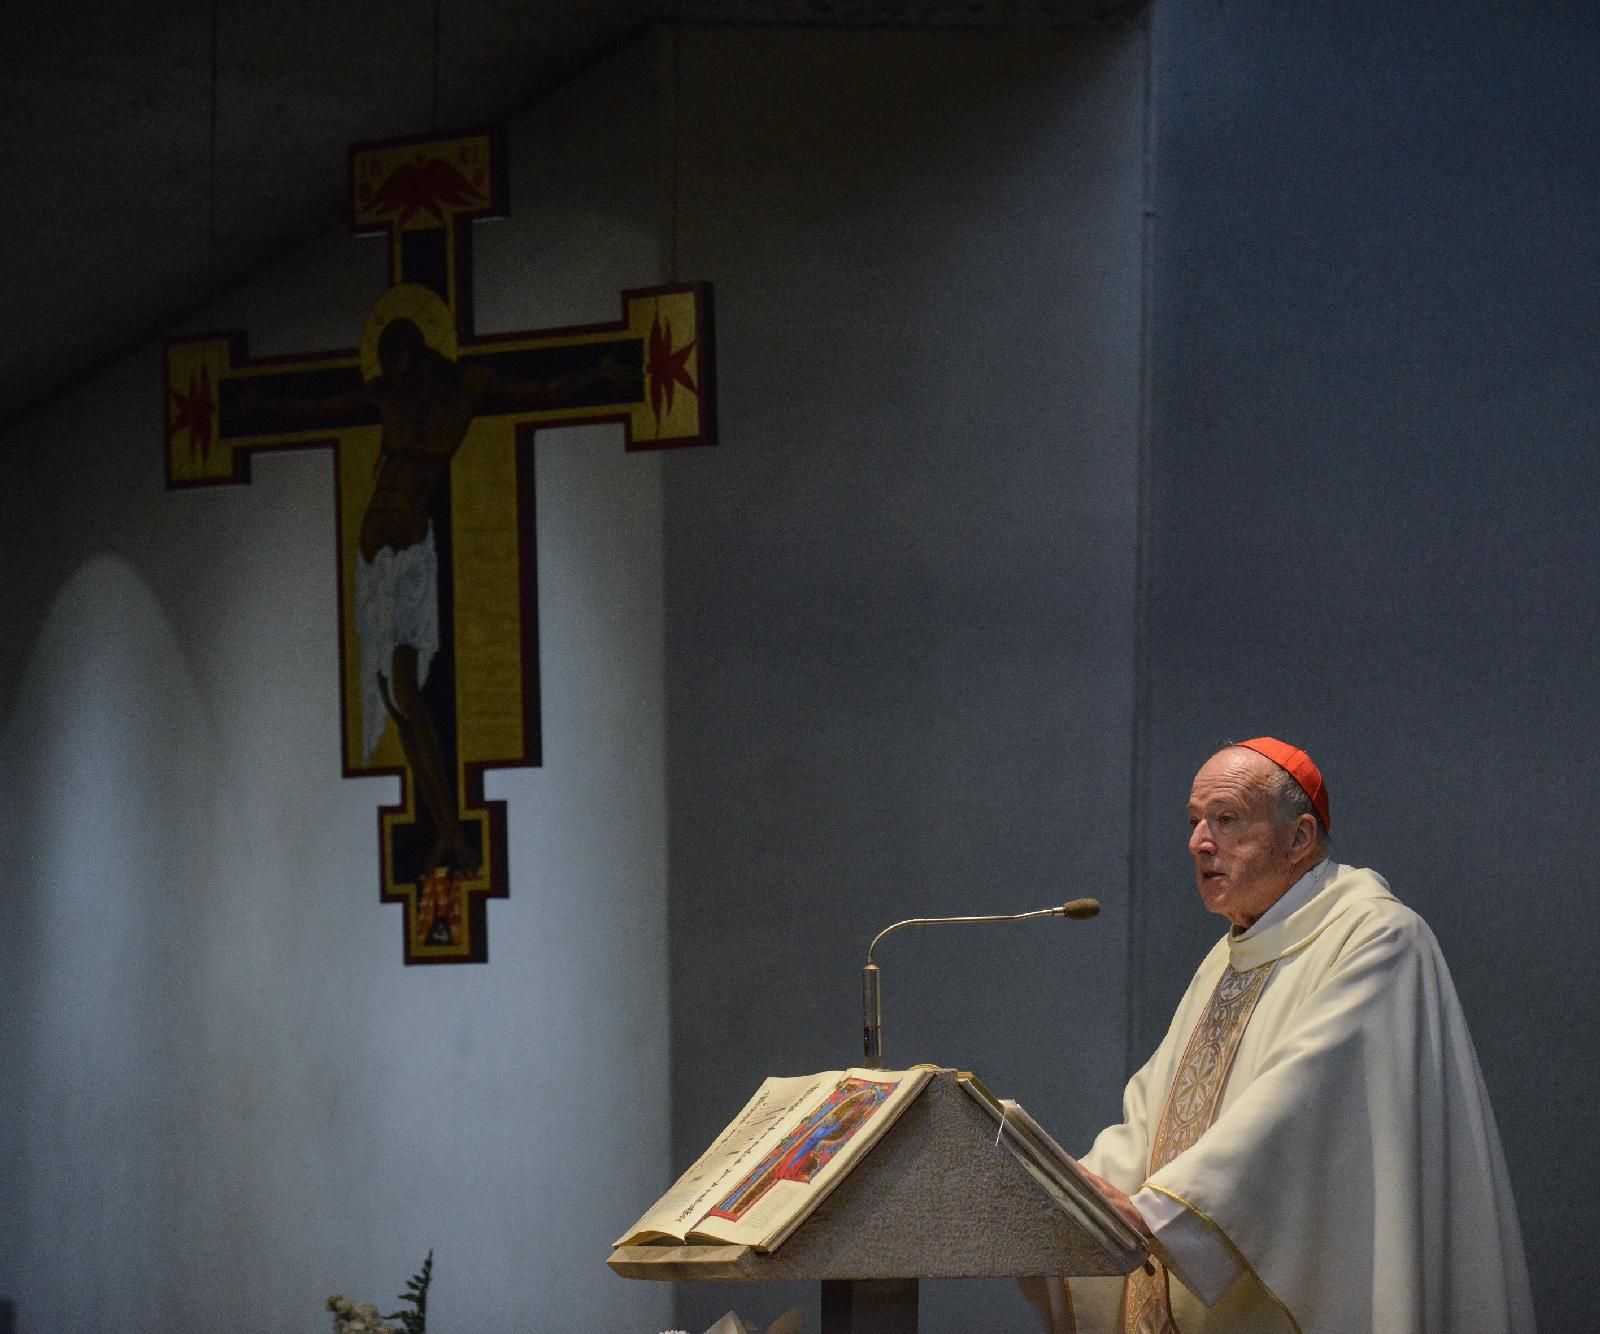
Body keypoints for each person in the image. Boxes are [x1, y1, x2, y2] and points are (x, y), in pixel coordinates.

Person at [1027, 738, 1534, 1333]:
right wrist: (1068, 1197)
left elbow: (1297, 1106)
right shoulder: (1228, 958)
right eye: (1194, 823)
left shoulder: (1378, 936)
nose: (1199, 843)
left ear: (1299, 839)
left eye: (1227, 819)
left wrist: (1157, 1214)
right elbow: (1156, 1117)